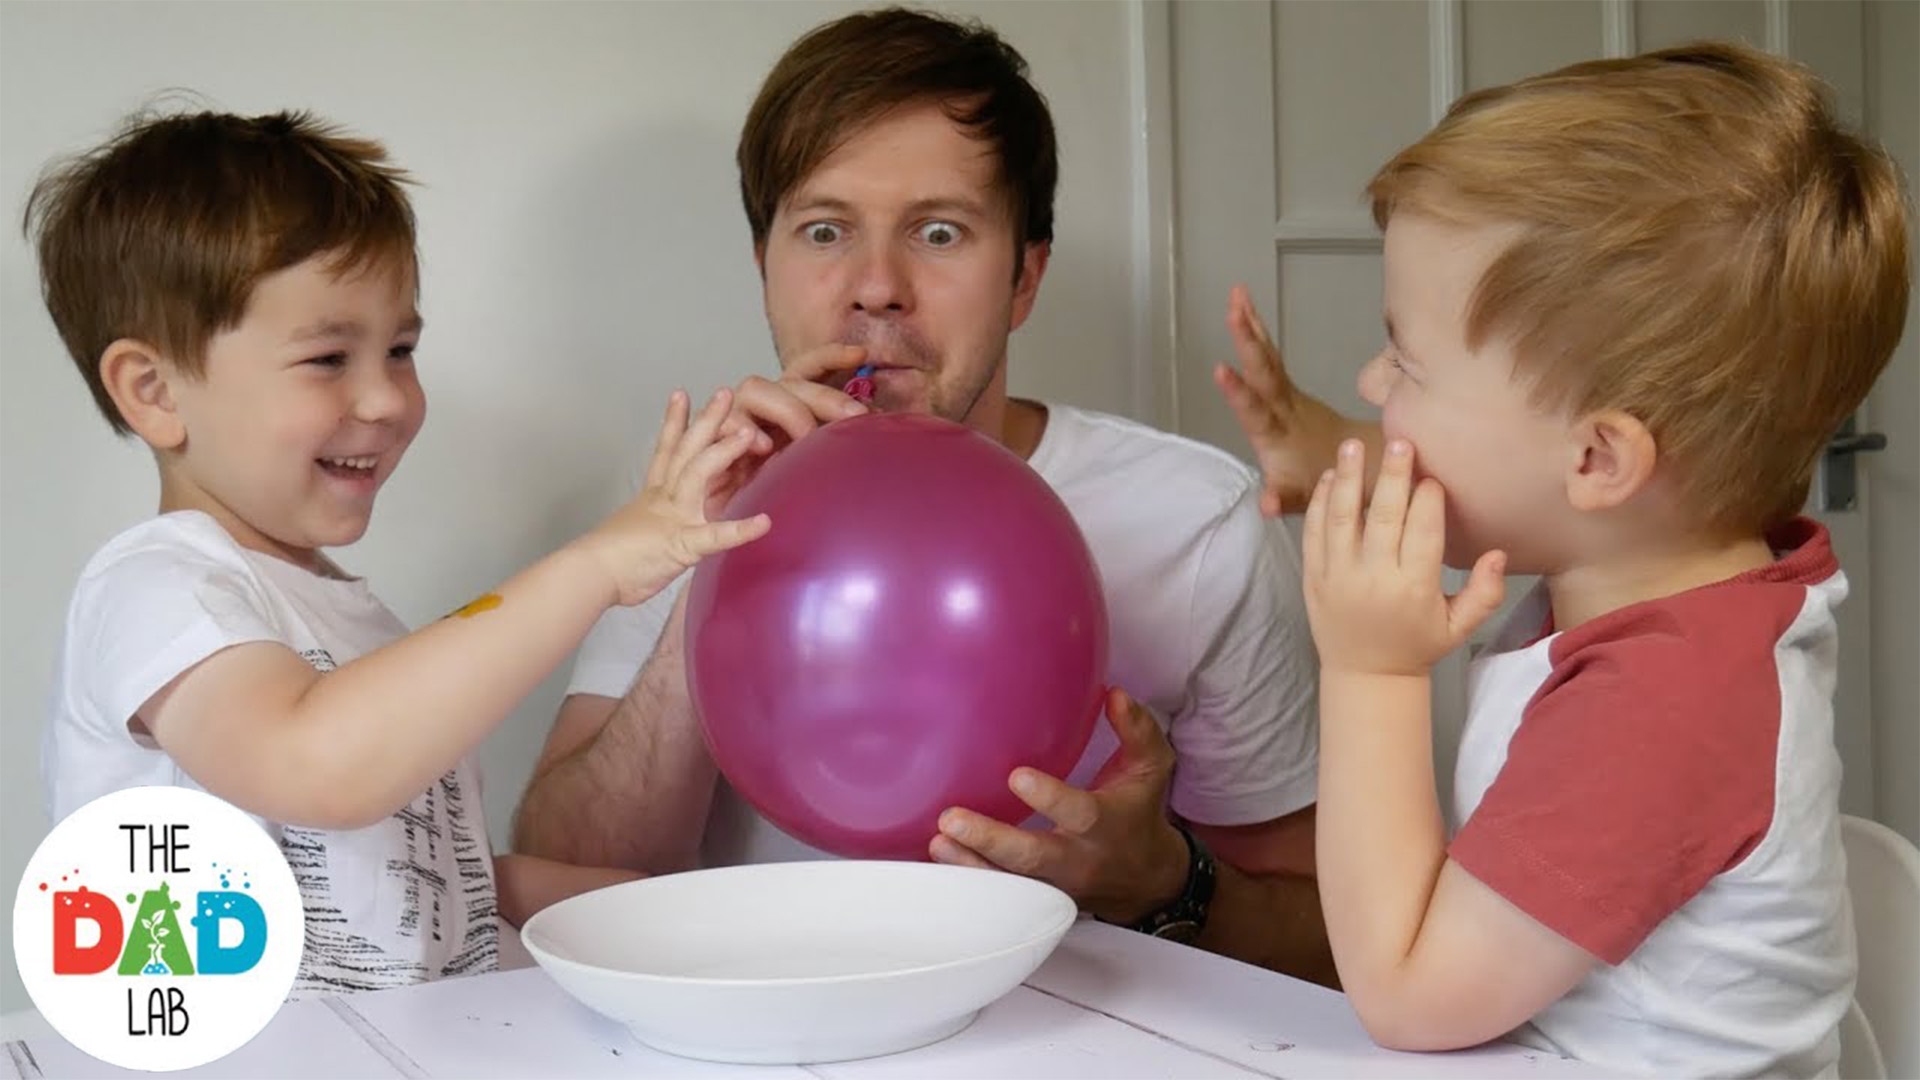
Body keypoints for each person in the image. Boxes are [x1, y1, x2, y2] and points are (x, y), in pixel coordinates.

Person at [513, 7, 1332, 982]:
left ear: (1024, 278)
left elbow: (1330, 943)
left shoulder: (1197, 521)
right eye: (825, 231)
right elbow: (566, 881)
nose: (877, 288)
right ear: (764, 268)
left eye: (939, 232)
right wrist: (713, 560)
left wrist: (1161, 880)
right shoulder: (689, 493)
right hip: (760, 1030)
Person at [1219, 42, 1908, 1077]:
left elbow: (1405, 994)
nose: (1370, 379)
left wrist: (1372, 670)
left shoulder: (1664, 706)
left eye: (1405, 360)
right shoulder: (1665, 570)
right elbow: (1507, 475)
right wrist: (1334, 454)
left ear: (1596, 459)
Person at [31, 109, 767, 996]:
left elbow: (434, 894)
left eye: (401, 349)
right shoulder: (155, 586)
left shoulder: (357, 626)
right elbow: (320, 767)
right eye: (328, 358)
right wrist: (596, 567)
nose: (386, 399)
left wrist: (667, 915)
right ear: (154, 391)